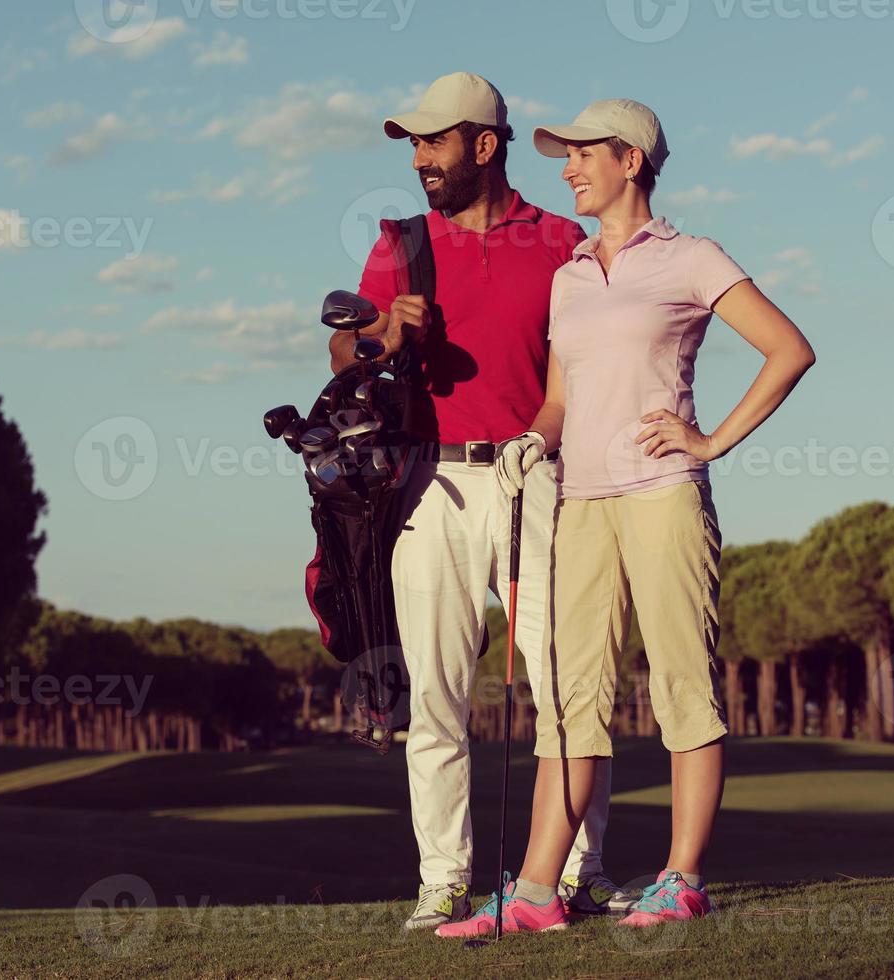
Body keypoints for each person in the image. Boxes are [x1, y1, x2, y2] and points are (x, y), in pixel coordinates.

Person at [437, 98, 817, 938]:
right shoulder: (569, 276)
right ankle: (537, 891)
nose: (567, 169)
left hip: (662, 496)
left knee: (683, 684)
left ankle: (682, 878)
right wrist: (529, 442)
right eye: (563, 157)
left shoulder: (690, 257)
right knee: (569, 700)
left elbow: (789, 349)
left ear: (630, 161)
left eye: (580, 155)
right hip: (581, 504)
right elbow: (563, 398)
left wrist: (709, 439)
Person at [330, 73, 633, 930]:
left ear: (485, 145)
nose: (421, 158)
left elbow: (591, 365)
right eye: (414, 145)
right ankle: (443, 877)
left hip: (537, 474)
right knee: (435, 693)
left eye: (435, 141)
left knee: (567, 684)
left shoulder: (564, 241)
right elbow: (342, 352)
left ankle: (575, 871)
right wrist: (382, 335)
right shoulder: (400, 243)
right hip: (429, 482)